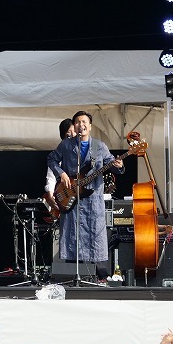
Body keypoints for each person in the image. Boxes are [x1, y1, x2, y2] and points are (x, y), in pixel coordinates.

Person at [47, 111, 125, 277]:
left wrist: (118, 165)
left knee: (94, 238)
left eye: (84, 122)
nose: (80, 125)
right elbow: (51, 159)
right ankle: (73, 277)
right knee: (72, 238)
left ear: (89, 126)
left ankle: (98, 278)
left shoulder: (100, 146)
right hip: (72, 199)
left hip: (92, 201)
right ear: (74, 126)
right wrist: (61, 173)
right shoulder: (66, 145)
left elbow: (112, 166)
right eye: (77, 122)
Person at [44, 119, 76, 215]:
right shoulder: (60, 151)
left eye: (74, 131)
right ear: (64, 134)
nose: (72, 134)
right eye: (69, 132)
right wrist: (50, 194)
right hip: (64, 195)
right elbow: (51, 176)